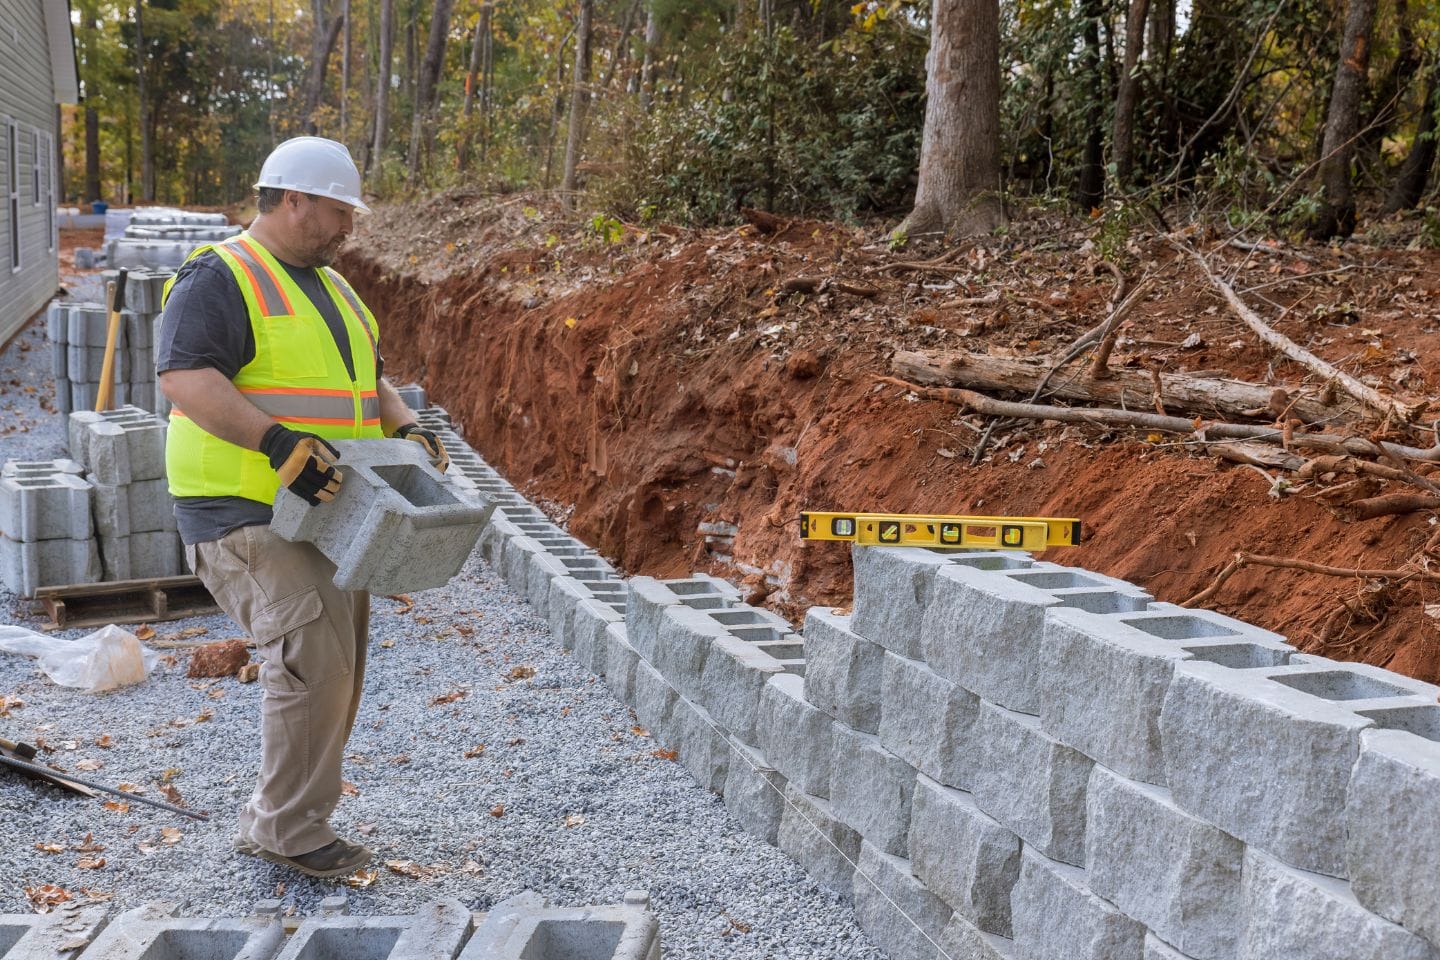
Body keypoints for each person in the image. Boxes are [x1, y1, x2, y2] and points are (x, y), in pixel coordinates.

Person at [156, 136, 449, 879]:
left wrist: (404, 424)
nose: (349, 227)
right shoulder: (221, 276)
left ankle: (284, 817)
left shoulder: (335, 287)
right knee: (312, 661)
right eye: (338, 211)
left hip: (326, 512)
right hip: (245, 508)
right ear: (293, 199)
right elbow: (185, 377)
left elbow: (366, 383)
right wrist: (276, 442)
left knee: (337, 669)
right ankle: (289, 830)